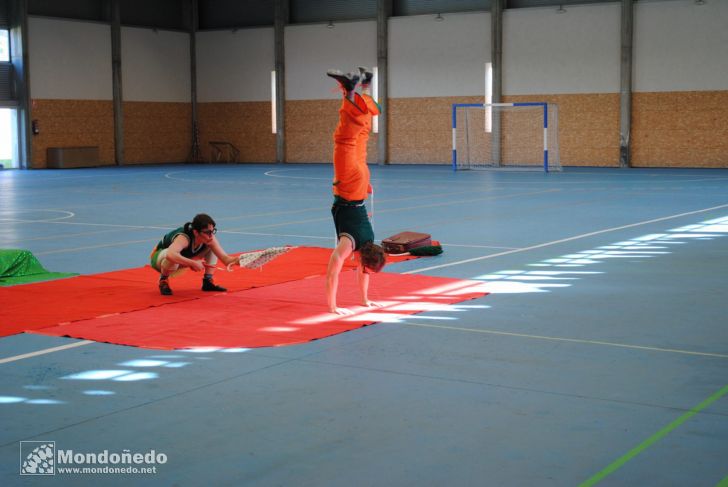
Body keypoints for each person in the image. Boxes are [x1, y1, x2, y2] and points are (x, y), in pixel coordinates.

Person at [325, 68, 387, 315]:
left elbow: (364, 273)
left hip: (362, 188)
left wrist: (365, 300)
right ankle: (351, 91)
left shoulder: (371, 240)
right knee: (345, 140)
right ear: (363, 259)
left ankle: (365, 88)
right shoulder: (349, 245)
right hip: (349, 189)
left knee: (361, 137)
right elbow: (332, 272)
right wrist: (332, 307)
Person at [150, 213, 238, 296]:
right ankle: (163, 280)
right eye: (207, 232)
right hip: (160, 260)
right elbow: (170, 255)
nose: (211, 235)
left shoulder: (209, 237)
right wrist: (193, 263)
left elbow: (226, 260)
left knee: (211, 247)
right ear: (196, 232)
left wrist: (242, 259)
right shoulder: (184, 237)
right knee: (172, 254)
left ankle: (208, 281)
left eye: (212, 231)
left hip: (182, 260)